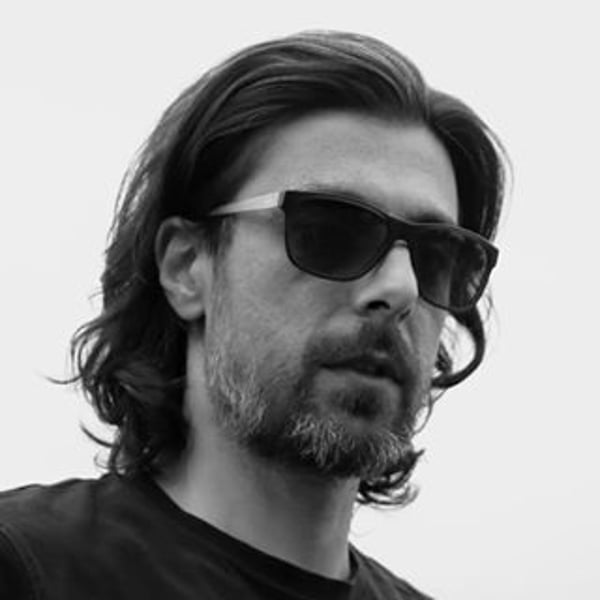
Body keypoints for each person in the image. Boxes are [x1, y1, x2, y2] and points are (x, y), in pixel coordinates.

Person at [0, 30, 507, 599]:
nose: (400, 288)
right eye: (330, 230)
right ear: (187, 266)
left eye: (437, 256)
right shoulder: (27, 569)